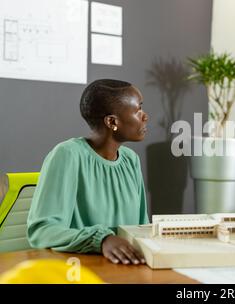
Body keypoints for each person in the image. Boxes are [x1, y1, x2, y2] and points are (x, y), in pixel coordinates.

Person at [27, 79, 150, 265]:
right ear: (112, 121)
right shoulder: (68, 155)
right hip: (80, 270)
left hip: (126, 269)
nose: (145, 116)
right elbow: (42, 231)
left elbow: (142, 227)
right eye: (137, 109)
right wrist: (101, 239)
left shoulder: (130, 160)